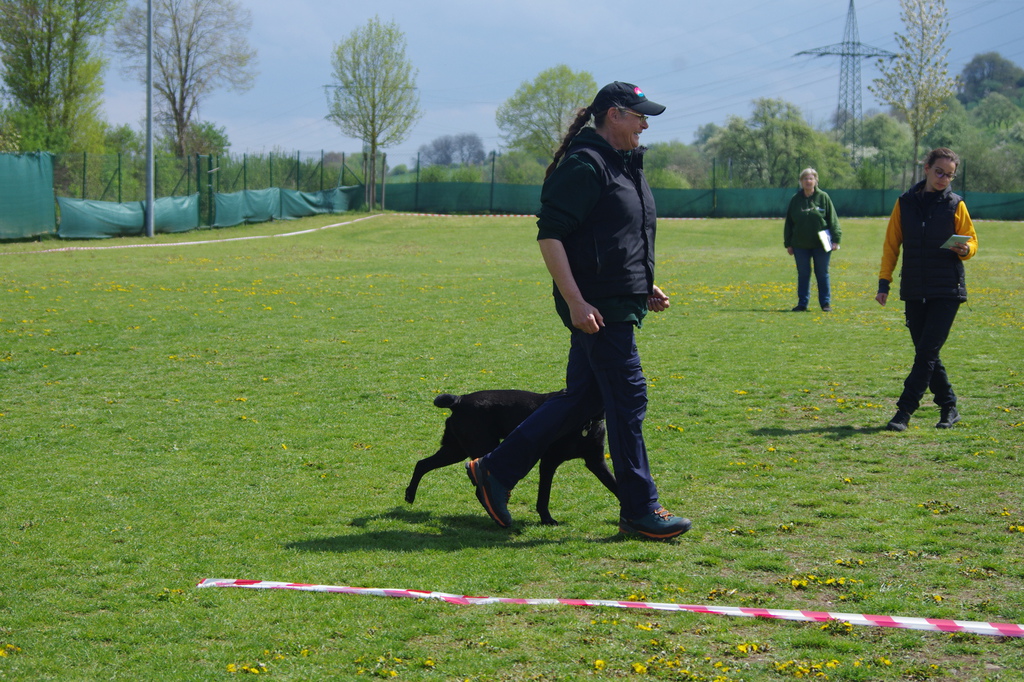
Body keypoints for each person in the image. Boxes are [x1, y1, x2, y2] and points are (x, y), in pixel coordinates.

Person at [464, 81, 691, 540]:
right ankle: (640, 509)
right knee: (628, 401)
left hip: (614, 301)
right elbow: (551, 236)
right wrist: (575, 301)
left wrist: (642, 285)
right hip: (596, 310)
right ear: (614, 114)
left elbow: (617, 238)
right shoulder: (586, 165)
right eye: (640, 116)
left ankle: (496, 468)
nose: (645, 125)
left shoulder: (623, 163)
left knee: (584, 400)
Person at [875, 148, 977, 432]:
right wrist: (884, 282)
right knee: (926, 353)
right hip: (914, 288)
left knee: (926, 353)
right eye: (939, 172)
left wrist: (966, 249)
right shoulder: (905, 203)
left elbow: (971, 240)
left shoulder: (956, 204)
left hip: (947, 289)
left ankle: (904, 411)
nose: (944, 178)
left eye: (950, 175)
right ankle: (949, 406)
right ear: (927, 168)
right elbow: (891, 245)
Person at [784, 168, 841, 312]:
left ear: (816, 181)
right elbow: (789, 223)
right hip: (800, 244)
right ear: (801, 181)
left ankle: (825, 303)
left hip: (821, 244)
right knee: (803, 274)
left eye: (811, 178)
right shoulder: (795, 200)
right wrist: (788, 243)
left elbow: (833, 219)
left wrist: (836, 239)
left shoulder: (823, 197)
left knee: (822, 273)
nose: (808, 181)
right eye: (805, 179)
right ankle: (802, 303)